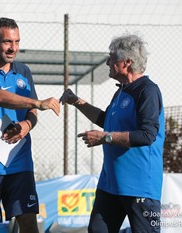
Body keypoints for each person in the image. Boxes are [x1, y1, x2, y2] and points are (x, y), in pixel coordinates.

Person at [60, 33, 165, 233]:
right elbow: (105, 119)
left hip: (140, 186)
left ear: (127, 62)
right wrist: (77, 101)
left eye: (112, 57)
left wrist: (105, 138)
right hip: (110, 184)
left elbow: (147, 135)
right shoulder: (121, 91)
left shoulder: (148, 91)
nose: (107, 61)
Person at [0, 17, 60, 233]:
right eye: (7, 42)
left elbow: (31, 112)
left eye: (17, 42)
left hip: (19, 160)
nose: (13, 48)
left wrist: (27, 124)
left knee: (28, 222)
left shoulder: (23, 71)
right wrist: (37, 102)